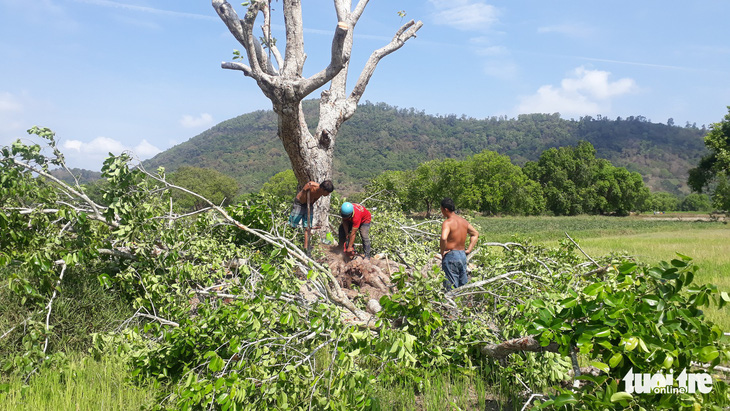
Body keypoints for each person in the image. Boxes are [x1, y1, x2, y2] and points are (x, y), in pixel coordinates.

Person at [439, 197, 478, 291]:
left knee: (451, 289)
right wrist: (469, 250)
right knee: (462, 287)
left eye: (441, 210)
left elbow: (444, 238)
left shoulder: (447, 223)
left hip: (451, 256)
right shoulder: (463, 221)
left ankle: (451, 305)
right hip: (462, 255)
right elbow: (475, 234)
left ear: (445, 209)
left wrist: (442, 252)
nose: (441, 212)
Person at [289, 180, 334, 253]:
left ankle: (306, 248)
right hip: (300, 204)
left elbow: (316, 198)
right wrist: (304, 190)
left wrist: (310, 204)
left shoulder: (321, 193)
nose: (328, 194)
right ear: (323, 189)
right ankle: (290, 241)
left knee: (308, 227)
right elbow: (309, 183)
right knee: (293, 223)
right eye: (328, 192)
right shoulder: (313, 186)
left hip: (309, 205)